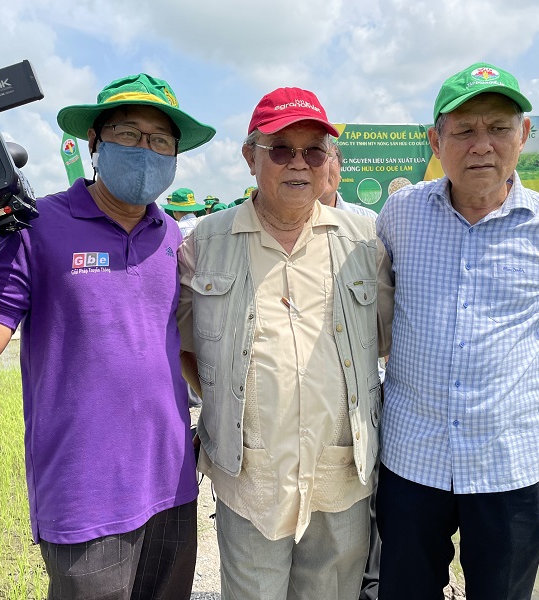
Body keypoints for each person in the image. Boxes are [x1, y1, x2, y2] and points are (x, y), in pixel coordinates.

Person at [0, 73, 215, 600]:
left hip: (172, 485)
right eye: (129, 135)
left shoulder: (170, 237)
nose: (146, 151)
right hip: (85, 497)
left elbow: (176, 347)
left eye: (161, 142)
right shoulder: (37, 226)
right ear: (94, 143)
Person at [376, 62, 539, 600]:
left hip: (511, 465)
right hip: (411, 459)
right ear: (436, 140)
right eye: (465, 130)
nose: (482, 145)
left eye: (499, 128)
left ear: (522, 135)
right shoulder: (400, 214)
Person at [177, 86, 394, 600]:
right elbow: (184, 345)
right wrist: (225, 402)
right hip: (251, 477)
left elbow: (385, 343)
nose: (298, 164)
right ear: (250, 158)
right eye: (280, 149)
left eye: (313, 150)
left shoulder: (365, 244)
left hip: (338, 475)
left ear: (329, 162)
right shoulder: (204, 245)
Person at [318, 140, 382, 600]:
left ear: (337, 168)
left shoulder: (368, 231)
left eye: (322, 157)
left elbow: (390, 321)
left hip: (357, 408)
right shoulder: (256, 232)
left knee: (364, 526)